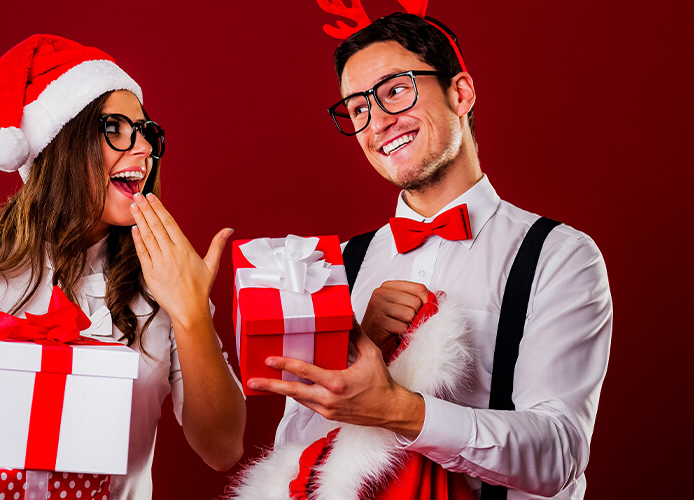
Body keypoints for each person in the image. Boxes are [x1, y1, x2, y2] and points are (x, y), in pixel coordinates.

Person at [245, 12, 612, 499]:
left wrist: (400, 410)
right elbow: (292, 450)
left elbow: (559, 454)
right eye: (357, 108)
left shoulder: (560, 256)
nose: (377, 122)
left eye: (395, 90)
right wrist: (357, 348)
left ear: (460, 93)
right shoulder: (338, 267)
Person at [0, 34, 245, 499]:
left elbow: (222, 447)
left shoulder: (165, 280)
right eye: (116, 129)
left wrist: (190, 315)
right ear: (61, 144)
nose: (144, 149)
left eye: (147, 131)